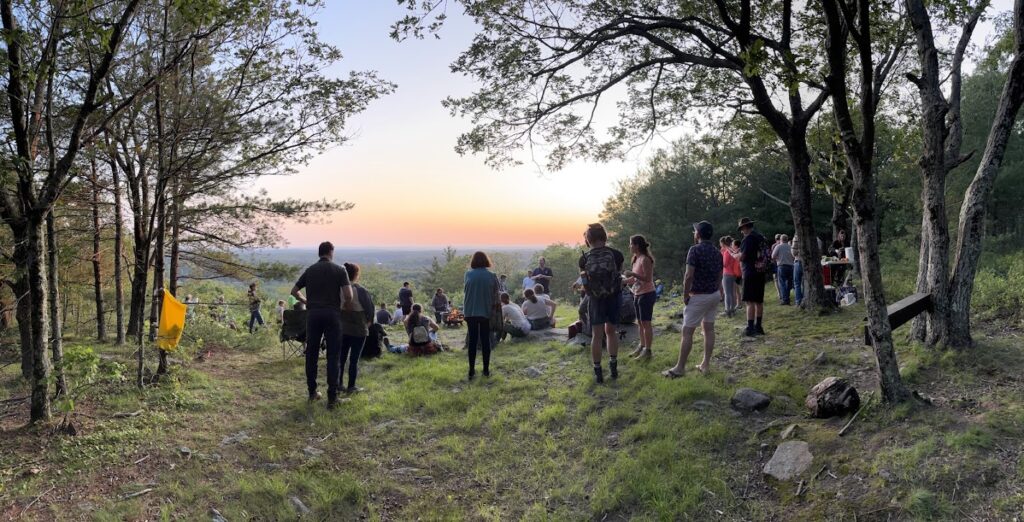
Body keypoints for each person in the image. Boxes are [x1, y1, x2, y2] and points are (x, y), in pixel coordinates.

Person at [290, 241, 353, 407]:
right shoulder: (340, 270)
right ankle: (332, 398)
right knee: (333, 356)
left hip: (313, 315)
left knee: (311, 354)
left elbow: (294, 291)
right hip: (332, 314)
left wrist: (306, 300)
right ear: (331, 252)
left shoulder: (310, 270)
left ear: (319, 253)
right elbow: (348, 295)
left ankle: (312, 392)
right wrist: (343, 307)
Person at [663, 221, 723, 378]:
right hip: (714, 295)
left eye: (694, 231)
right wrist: (715, 289)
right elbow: (719, 275)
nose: (693, 233)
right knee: (709, 329)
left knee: (687, 332)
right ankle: (705, 364)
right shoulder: (717, 252)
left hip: (698, 296)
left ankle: (680, 368)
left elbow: (689, 275)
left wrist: (685, 294)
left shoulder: (694, 250)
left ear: (698, 234)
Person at [578, 223, 625, 383]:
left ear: (588, 239)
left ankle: (598, 371)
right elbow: (619, 277)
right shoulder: (617, 255)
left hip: (595, 299)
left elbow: (584, 281)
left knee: (596, 336)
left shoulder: (583, 259)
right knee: (611, 332)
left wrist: (590, 292)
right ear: (604, 237)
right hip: (613, 297)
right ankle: (613, 367)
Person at [464, 251, 500, 379]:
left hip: (470, 312)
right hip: (485, 312)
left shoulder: (468, 274)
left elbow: (466, 291)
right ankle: (485, 370)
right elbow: (496, 294)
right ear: (486, 261)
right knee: (486, 341)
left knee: (472, 341)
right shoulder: (492, 276)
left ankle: (471, 370)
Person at [340, 263, 374, 394]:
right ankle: (351, 386)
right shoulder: (360, 290)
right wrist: (369, 322)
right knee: (354, 359)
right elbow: (370, 309)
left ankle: (339, 384)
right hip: (358, 326)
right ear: (356, 275)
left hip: (342, 326)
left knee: (341, 358)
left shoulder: (338, 289)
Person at [624, 234, 656, 361]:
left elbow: (648, 279)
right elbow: (634, 279)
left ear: (637, 245)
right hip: (637, 294)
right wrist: (622, 281)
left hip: (647, 294)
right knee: (640, 323)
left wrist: (633, 274)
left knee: (646, 323)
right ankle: (641, 346)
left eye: (631, 244)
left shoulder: (645, 259)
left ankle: (647, 351)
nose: (629, 246)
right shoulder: (636, 259)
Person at [736, 217, 768, 336]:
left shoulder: (747, 239)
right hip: (760, 271)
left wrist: (737, 255)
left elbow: (743, 257)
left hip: (749, 272)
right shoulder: (760, 237)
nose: (741, 231)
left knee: (749, 301)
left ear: (745, 227)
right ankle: (759, 327)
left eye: (741, 228)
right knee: (759, 301)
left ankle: (750, 328)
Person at [721, 236, 741, 317]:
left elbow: (725, 264)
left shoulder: (726, 252)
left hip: (726, 274)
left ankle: (727, 310)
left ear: (724, 243)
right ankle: (732, 309)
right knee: (732, 293)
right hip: (733, 274)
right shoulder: (733, 251)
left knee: (727, 293)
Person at [772, 235, 795, 305]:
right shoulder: (790, 247)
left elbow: (773, 256)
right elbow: (794, 256)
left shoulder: (778, 246)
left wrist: (777, 259)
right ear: (787, 240)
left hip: (781, 266)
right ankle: (787, 297)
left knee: (782, 283)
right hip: (791, 267)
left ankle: (785, 299)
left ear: (781, 239)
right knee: (789, 283)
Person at [792, 234, 804, 307]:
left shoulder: (796, 237)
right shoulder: (816, 238)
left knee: (797, 283)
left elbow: (793, 253)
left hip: (798, 261)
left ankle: (798, 301)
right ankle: (806, 299)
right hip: (809, 264)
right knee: (806, 283)